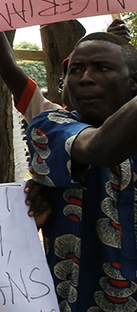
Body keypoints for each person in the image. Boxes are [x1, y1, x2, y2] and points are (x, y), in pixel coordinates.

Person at [27, 32, 137, 312]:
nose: (85, 78)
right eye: (77, 69)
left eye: (102, 68)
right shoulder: (49, 127)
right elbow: (99, 148)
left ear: (133, 81)